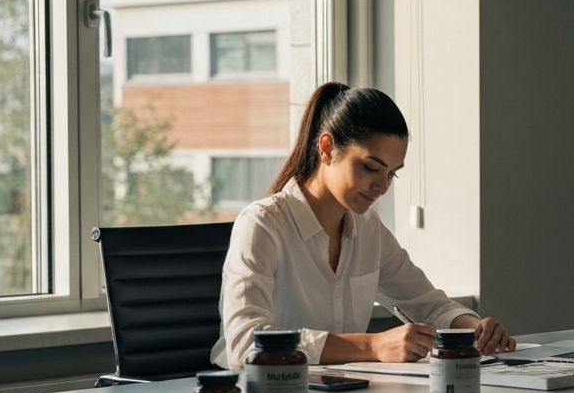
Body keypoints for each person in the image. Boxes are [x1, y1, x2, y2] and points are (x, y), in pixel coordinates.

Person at [212, 81, 515, 368]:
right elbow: (244, 343)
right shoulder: (263, 225)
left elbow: (427, 304)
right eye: (371, 168)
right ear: (327, 148)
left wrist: (474, 329)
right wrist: (372, 346)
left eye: (392, 174)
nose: (382, 187)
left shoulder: (368, 229)